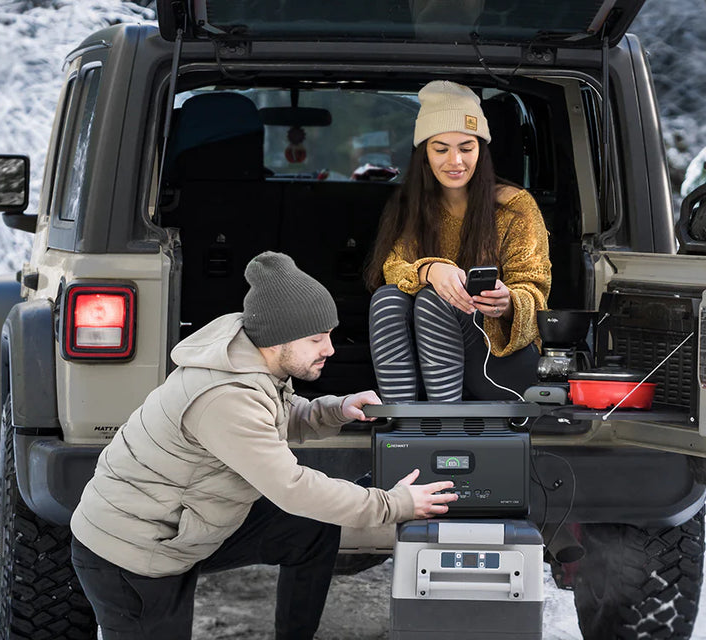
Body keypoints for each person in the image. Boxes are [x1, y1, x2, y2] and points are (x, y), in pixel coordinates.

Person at [70, 252, 457, 640]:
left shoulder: (253, 362)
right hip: (134, 554)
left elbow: (277, 418)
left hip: (184, 523)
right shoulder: (224, 397)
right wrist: (393, 504)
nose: (330, 349)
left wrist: (337, 410)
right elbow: (292, 488)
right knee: (305, 506)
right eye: (317, 339)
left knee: (313, 528)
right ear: (279, 339)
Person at [365, 80, 551, 402]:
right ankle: (402, 422)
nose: (455, 161)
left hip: (498, 362)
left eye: (466, 148)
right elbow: (393, 268)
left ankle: (444, 423)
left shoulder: (514, 206)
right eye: (441, 149)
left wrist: (508, 302)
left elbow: (536, 292)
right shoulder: (412, 207)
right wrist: (430, 270)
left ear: (481, 149)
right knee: (387, 299)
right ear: (424, 153)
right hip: (429, 363)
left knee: (435, 301)